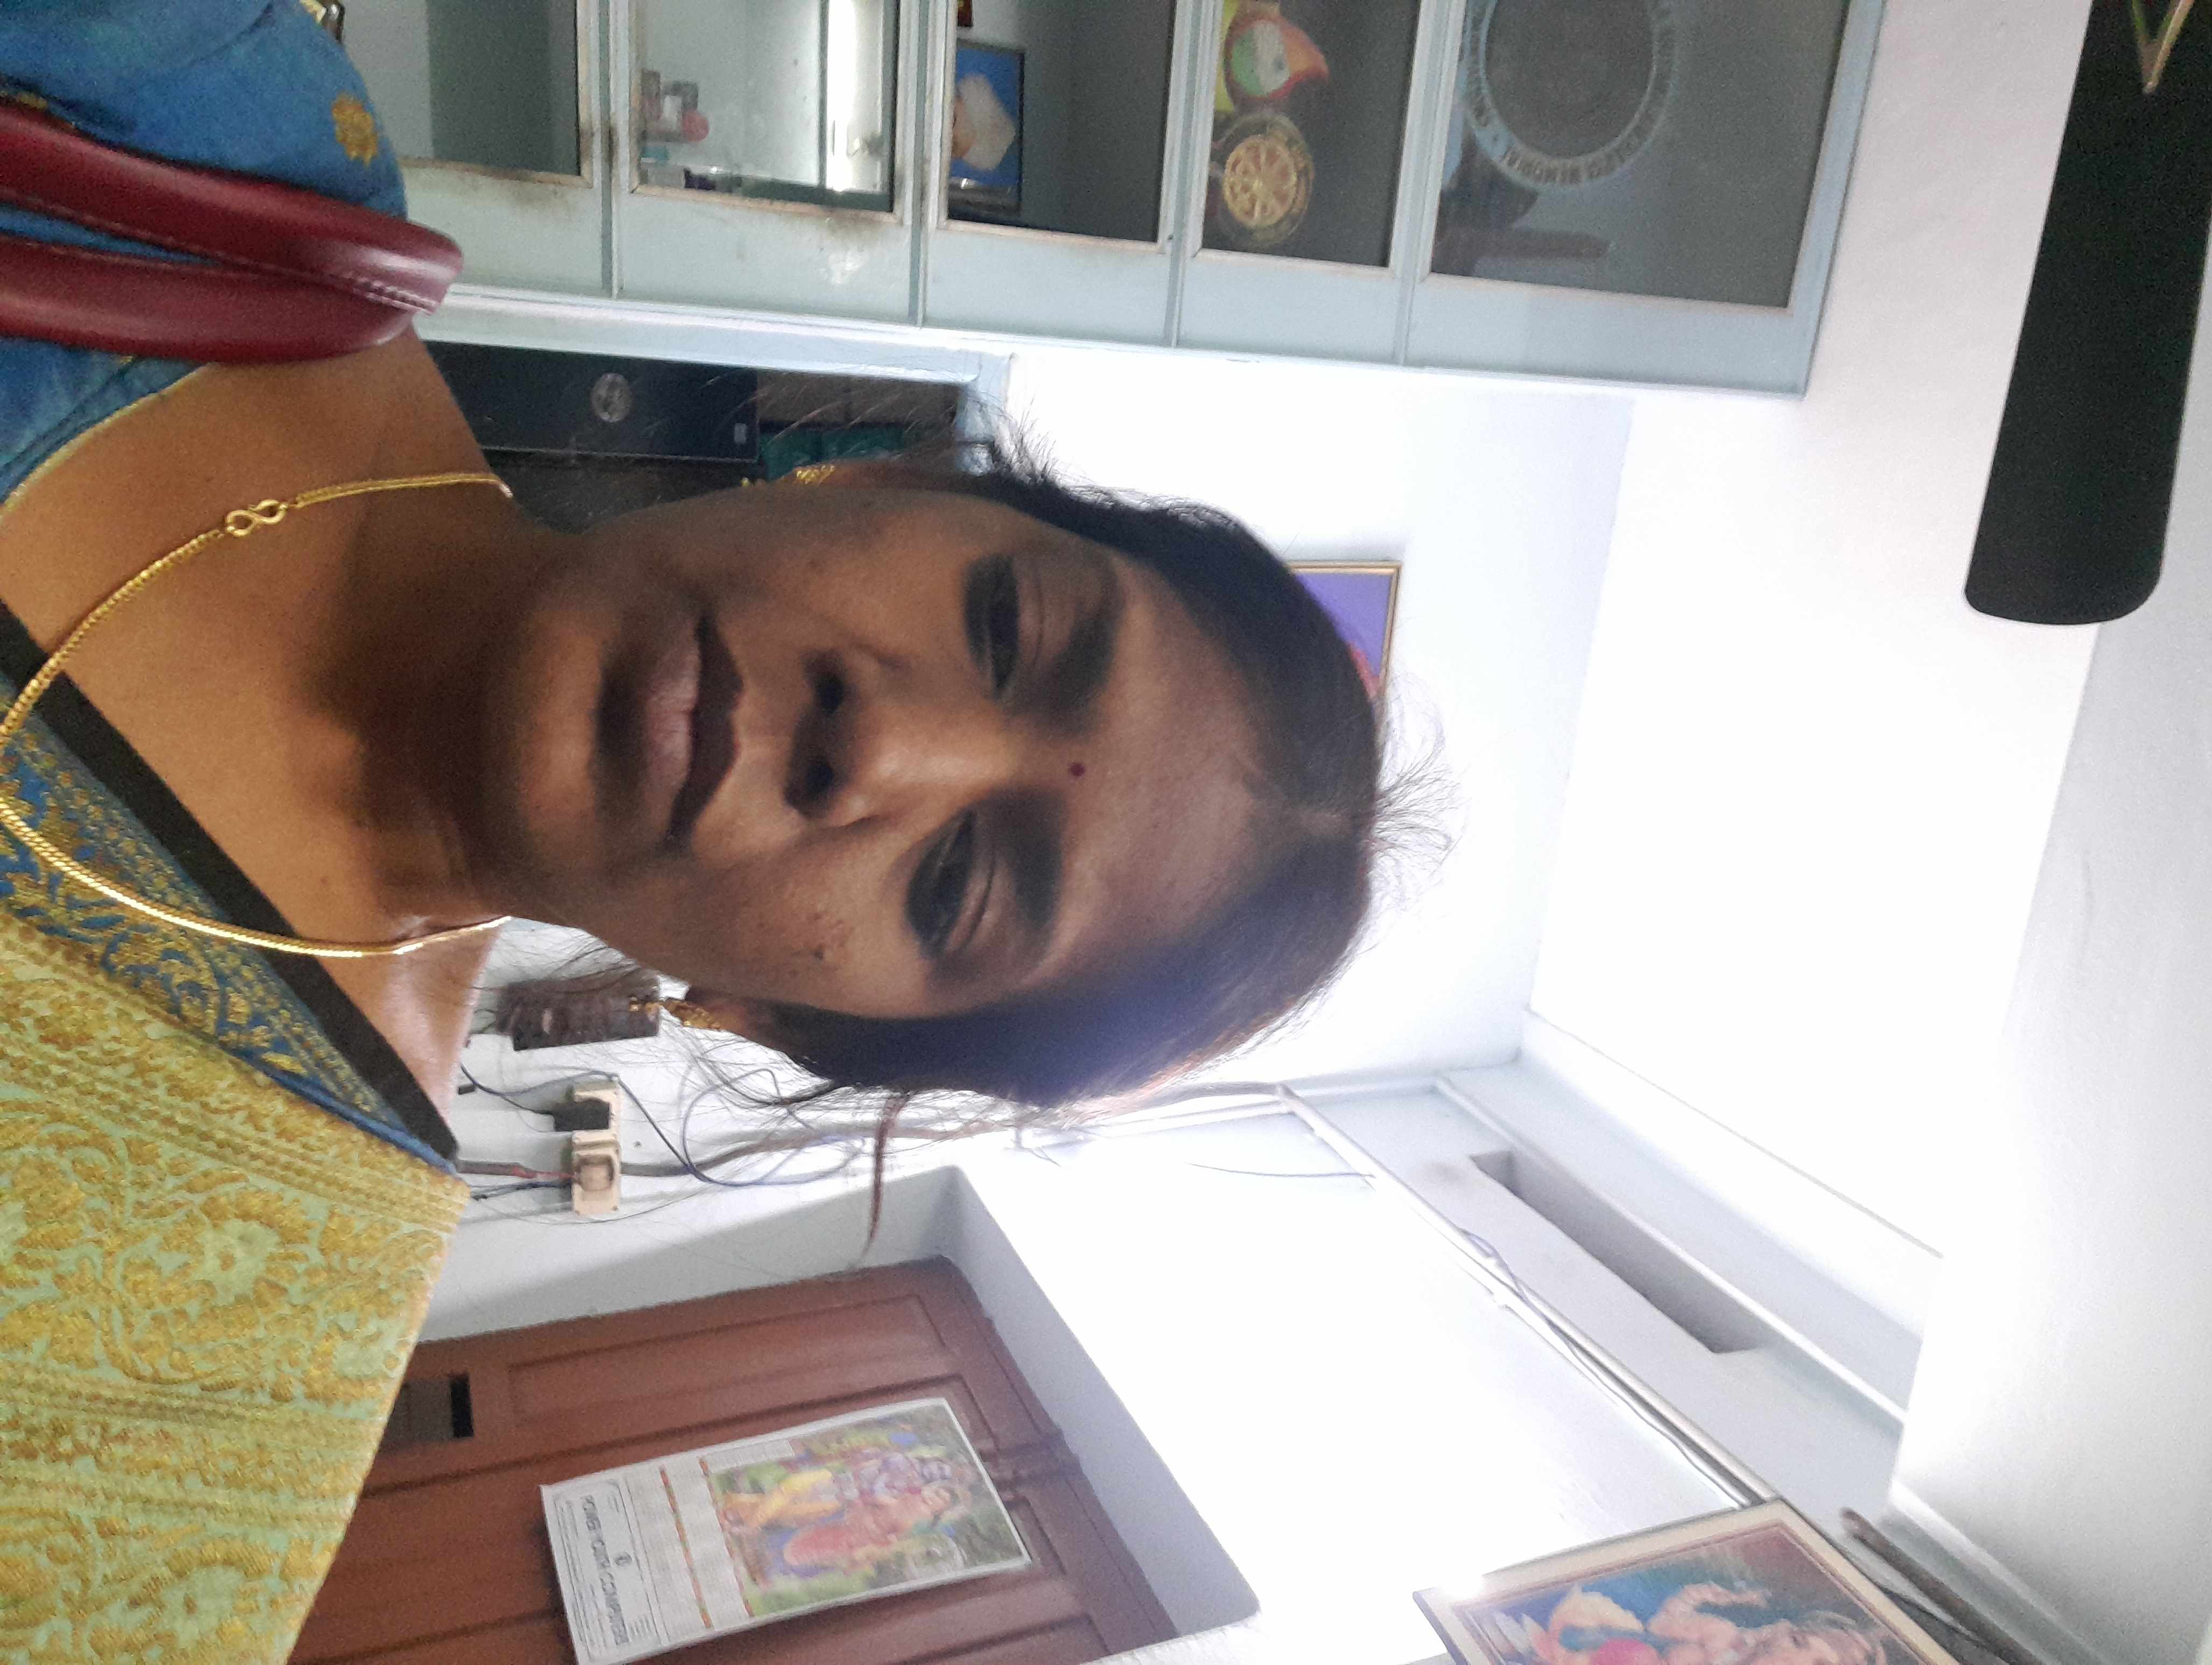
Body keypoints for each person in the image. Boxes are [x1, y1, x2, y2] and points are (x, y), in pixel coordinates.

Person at [0, 5, 1386, 1662]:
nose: (883, 743)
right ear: (889, 481)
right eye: (1005, 624)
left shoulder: (213, 1384)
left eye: (960, 887)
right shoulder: (212, 134)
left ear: (775, 1019)